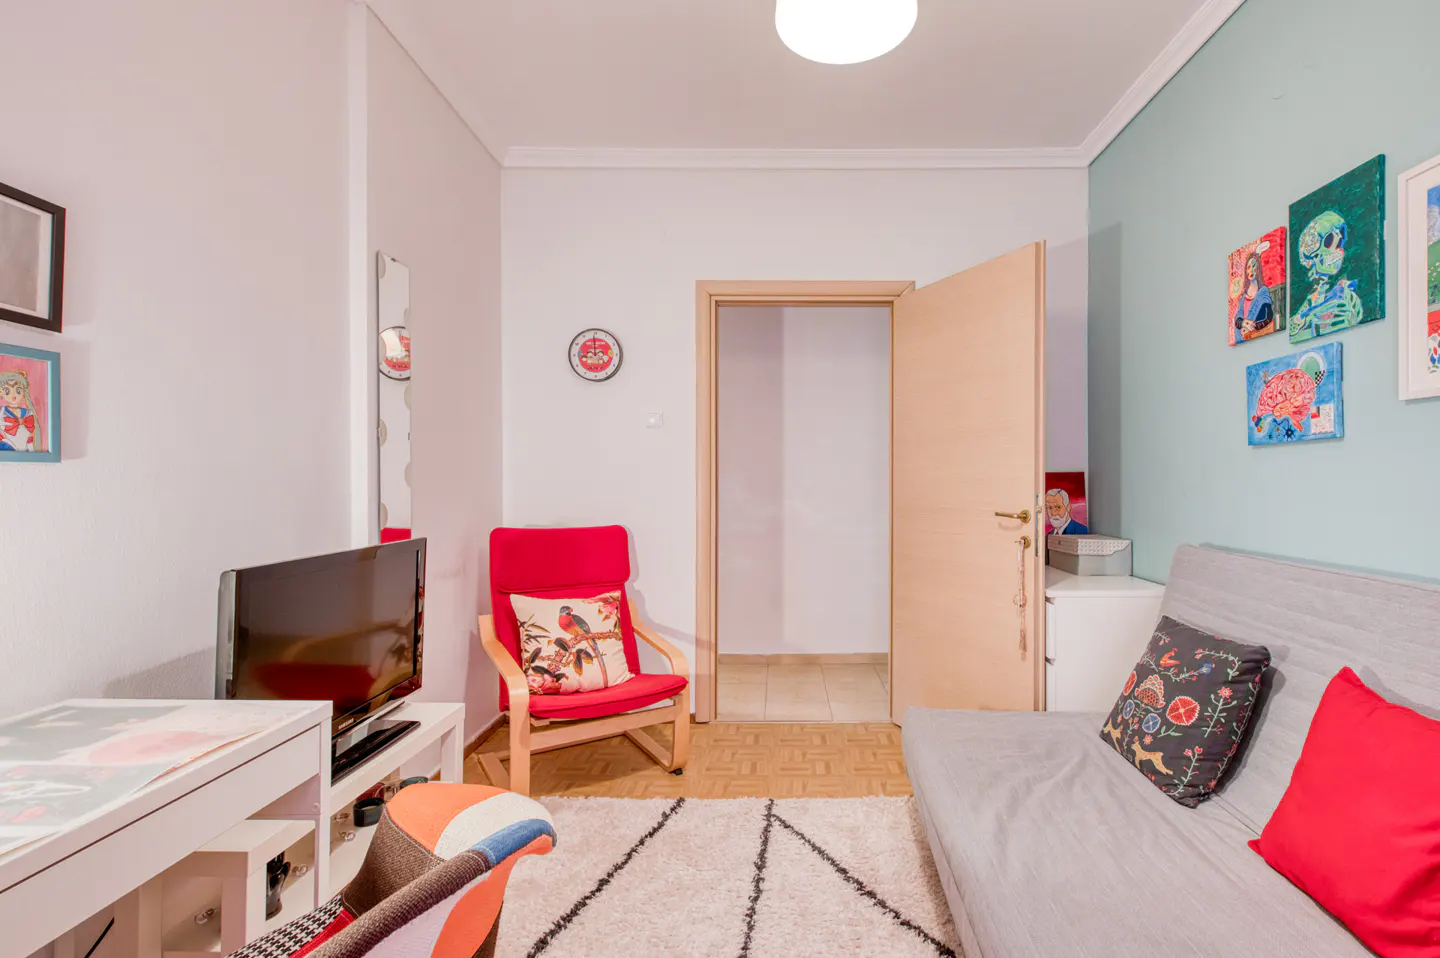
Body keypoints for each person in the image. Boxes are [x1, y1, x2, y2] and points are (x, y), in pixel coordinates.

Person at [1233, 250, 1275, 341]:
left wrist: (1253, 326)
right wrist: (1244, 323)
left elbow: (1268, 317)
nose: (1251, 270)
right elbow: (1237, 319)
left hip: (1256, 334)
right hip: (1242, 336)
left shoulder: (1263, 291)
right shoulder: (1244, 296)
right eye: (1248, 267)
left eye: (1253, 266)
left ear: (1258, 268)